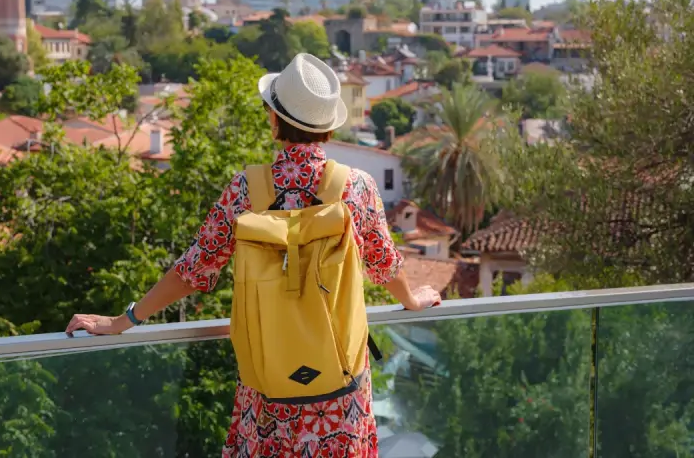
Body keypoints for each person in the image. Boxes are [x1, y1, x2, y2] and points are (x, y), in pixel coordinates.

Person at [66, 53, 441, 457]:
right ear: (329, 127)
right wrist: (412, 301)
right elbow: (385, 267)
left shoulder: (246, 190)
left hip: (268, 392)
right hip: (340, 395)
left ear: (274, 120)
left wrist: (123, 321)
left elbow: (192, 271)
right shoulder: (358, 188)